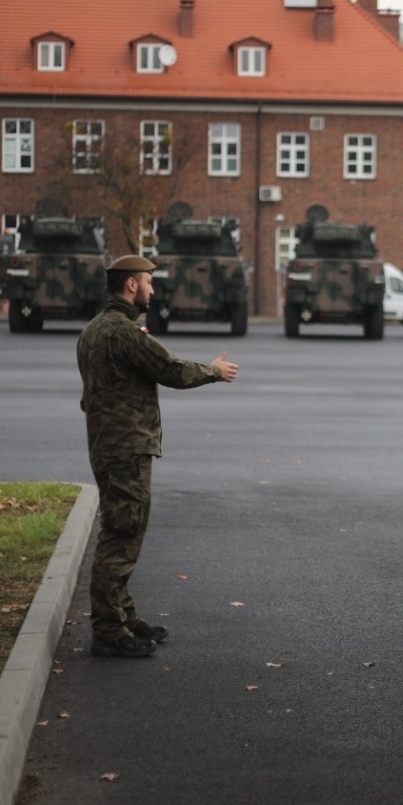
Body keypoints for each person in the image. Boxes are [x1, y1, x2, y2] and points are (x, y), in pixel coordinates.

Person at [77, 254, 238, 659]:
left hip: (106, 445)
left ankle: (124, 617)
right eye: (148, 281)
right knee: (121, 537)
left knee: (122, 532)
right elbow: (171, 370)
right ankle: (109, 632)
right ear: (131, 285)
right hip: (127, 449)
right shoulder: (124, 333)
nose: (152, 288)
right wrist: (214, 371)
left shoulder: (93, 331)